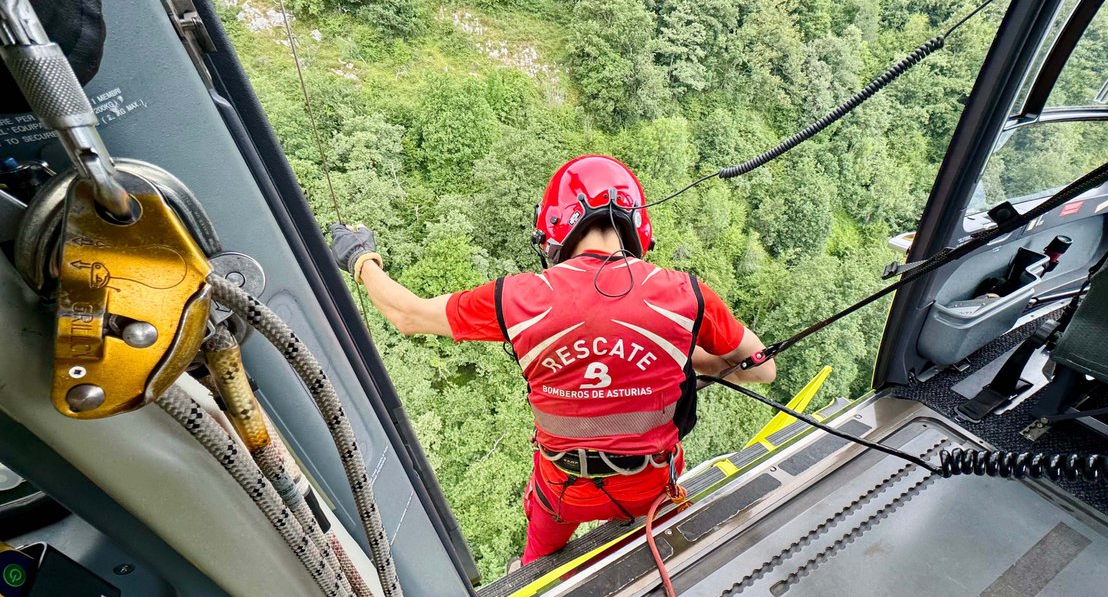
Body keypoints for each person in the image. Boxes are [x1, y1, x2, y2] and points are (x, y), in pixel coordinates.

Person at [329, 155, 775, 566]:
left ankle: (533, 590)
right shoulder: (684, 294)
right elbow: (760, 367)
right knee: (657, 551)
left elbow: (407, 314)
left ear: (555, 228)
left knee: (538, 560)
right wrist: (680, 359)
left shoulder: (522, 296)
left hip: (562, 490)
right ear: (638, 225)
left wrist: (361, 259)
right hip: (650, 486)